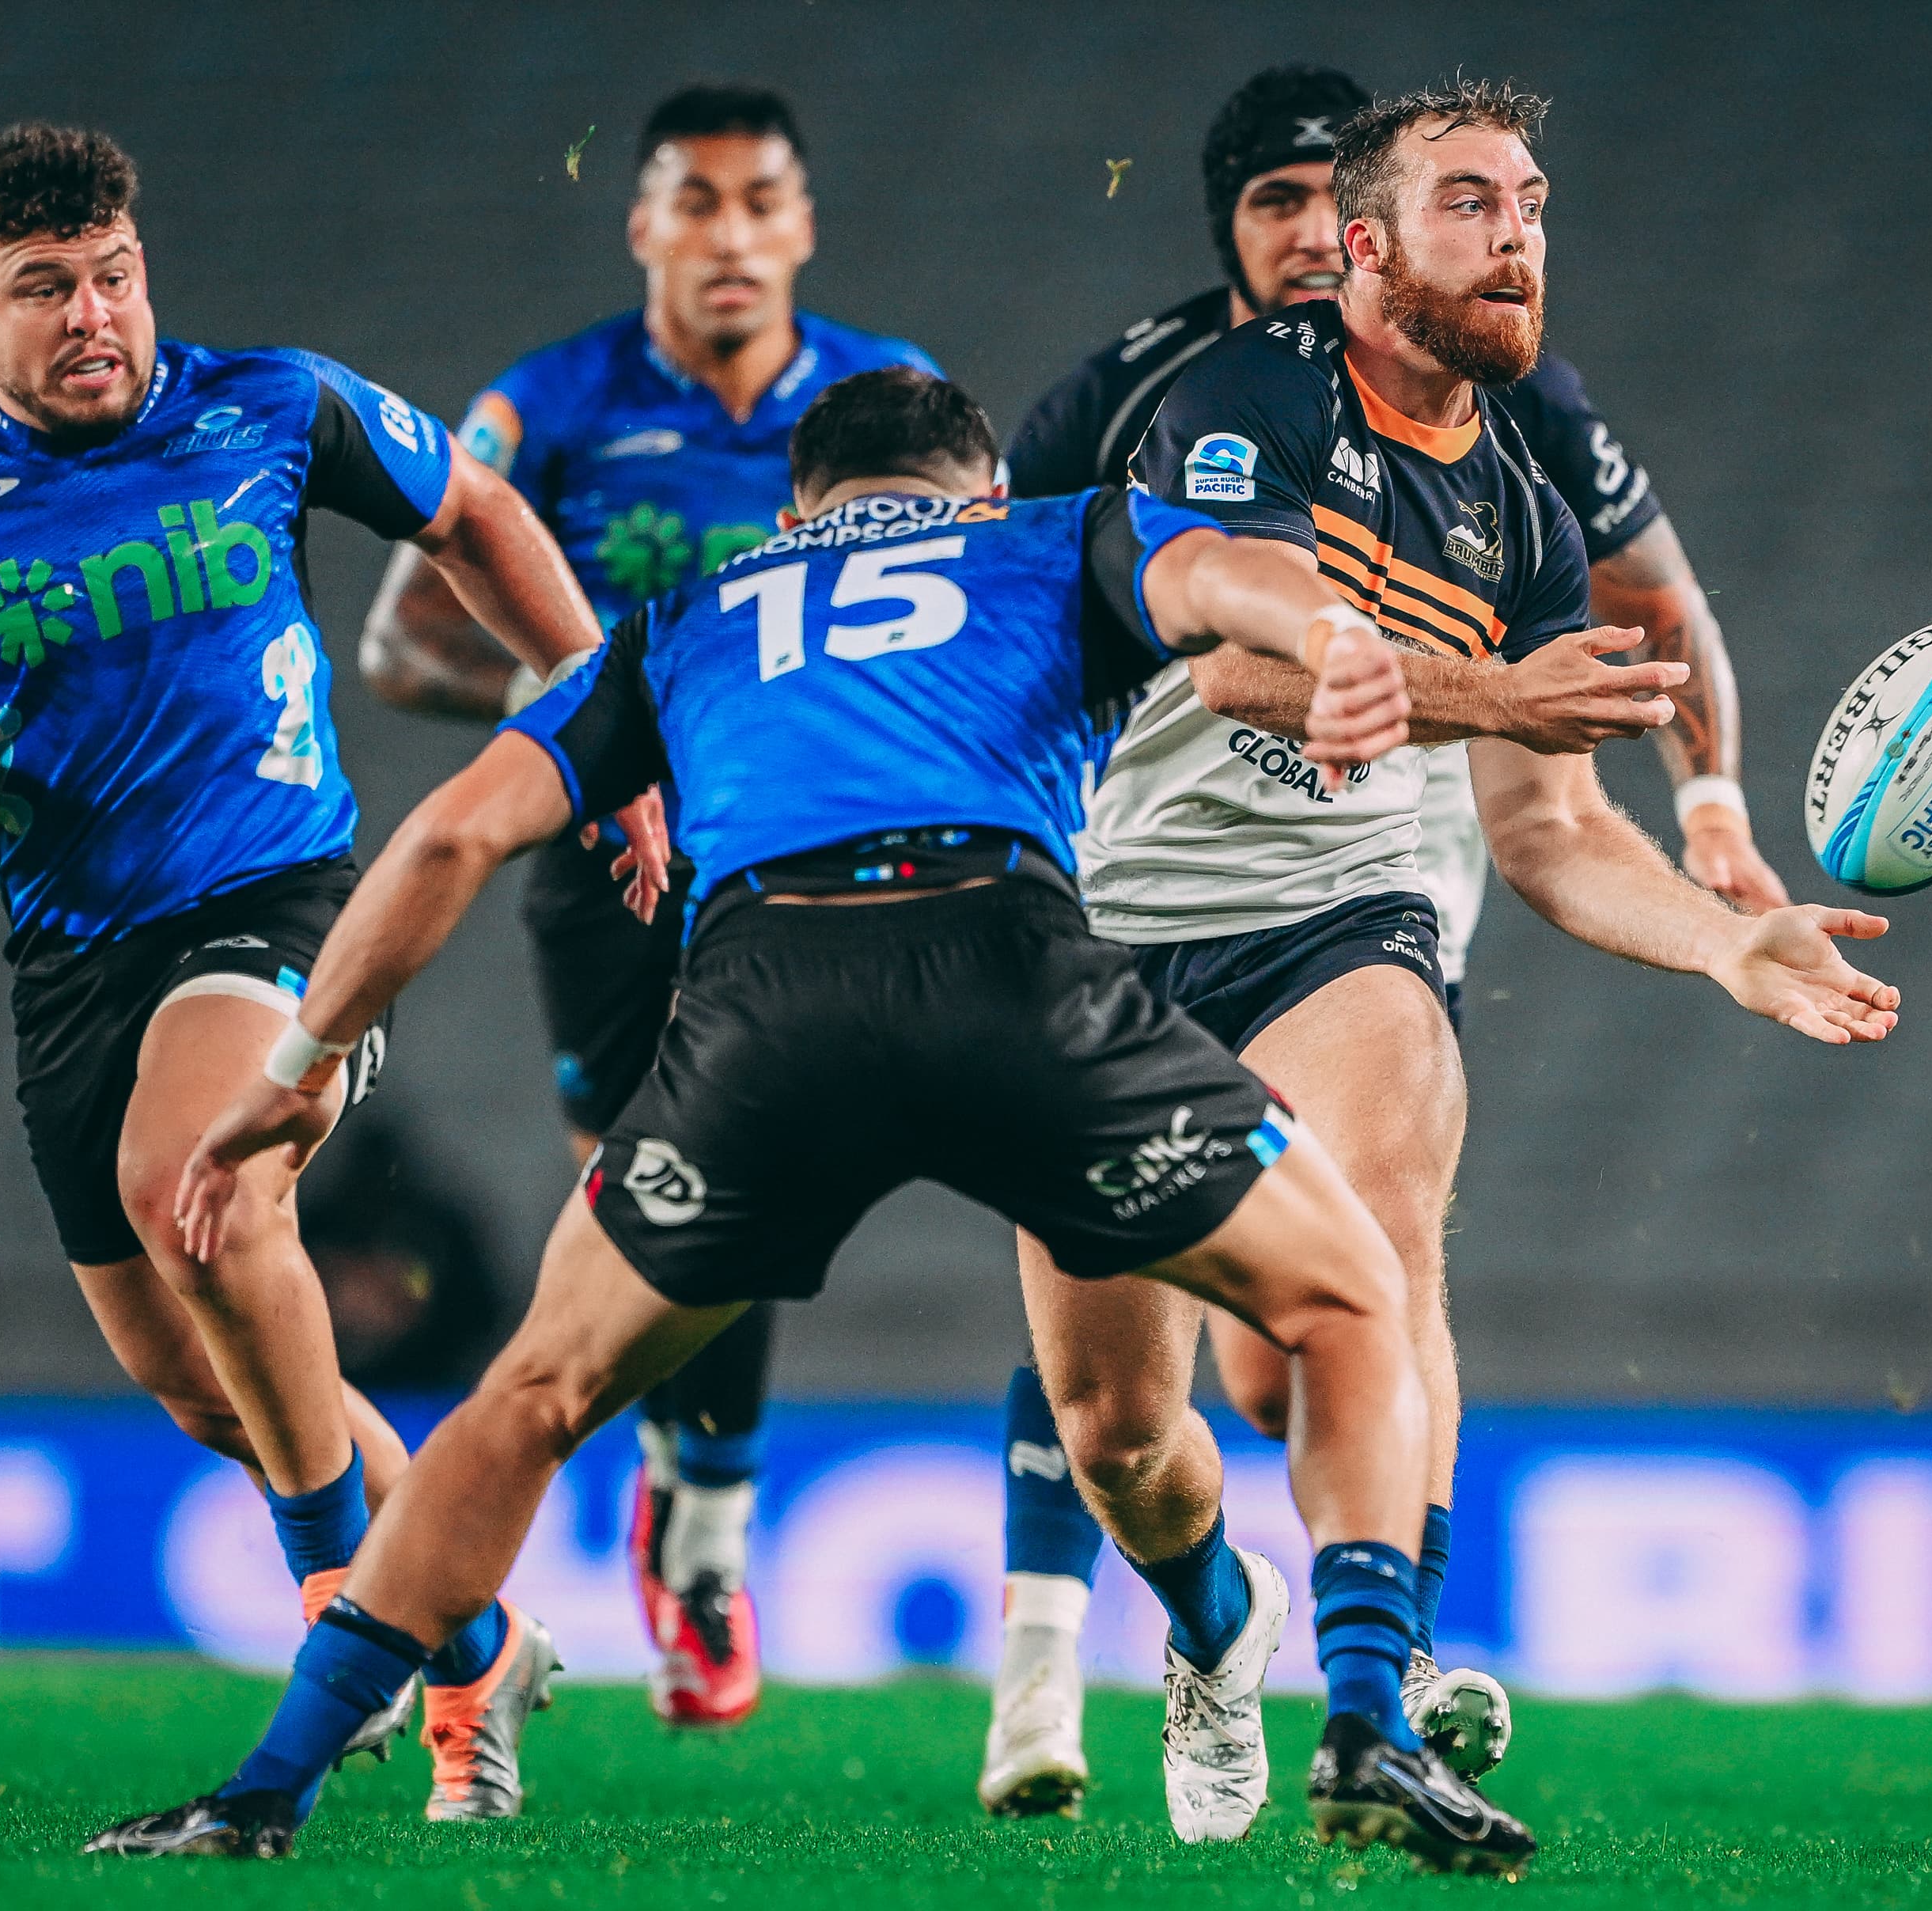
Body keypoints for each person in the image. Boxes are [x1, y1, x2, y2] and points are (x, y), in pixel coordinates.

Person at [85, 366, 1546, 1871]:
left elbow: (455, 831)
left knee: (531, 1400)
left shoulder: (692, 614)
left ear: (797, 512)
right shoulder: (1045, 538)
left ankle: (267, 1787)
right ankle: (1367, 1721)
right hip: (1011, 974)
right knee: (1351, 1296)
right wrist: (1332, 634)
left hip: (764, 1014)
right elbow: (1222, 573)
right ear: (980, 492)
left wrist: (291, 1075)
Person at [979, 78, 1898, 1821]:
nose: (1517, 235)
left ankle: (1367, 1705)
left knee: (1383, 1255)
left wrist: (1723, 941)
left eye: (1531, 202)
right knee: (1126, 1433)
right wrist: (1490, 691)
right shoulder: (1230, 402)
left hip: (1330, 921)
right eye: (1472, 202)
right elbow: (1239, 668)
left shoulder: (1524, 518)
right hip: (1099, 932)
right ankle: (1208, 1622)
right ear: (1365, 248)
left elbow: (1545, 829)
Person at [0, 121, 633, 1822]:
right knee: (209, 1384)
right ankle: (473, 1633)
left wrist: (597, 713)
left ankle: (340, 1615)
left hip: (275, 907)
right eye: (41, 289)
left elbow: (471, 508)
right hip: (69, 957)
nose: (92, 313)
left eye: (111, 273)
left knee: (196, 1177)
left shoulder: (270, 404)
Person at [357, 83, 938, 1727]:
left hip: (796, 860)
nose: (731, 233)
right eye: (695, 202)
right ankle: (682, 1493)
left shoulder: (895, 406)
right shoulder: (543, 409)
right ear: (643, 228)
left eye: (761, 200)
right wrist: (613, 716)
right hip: (605, 871)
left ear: (803, 224)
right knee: (649, 1201)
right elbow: (401, 647)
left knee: (745, 1178)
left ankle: (706, 1531)